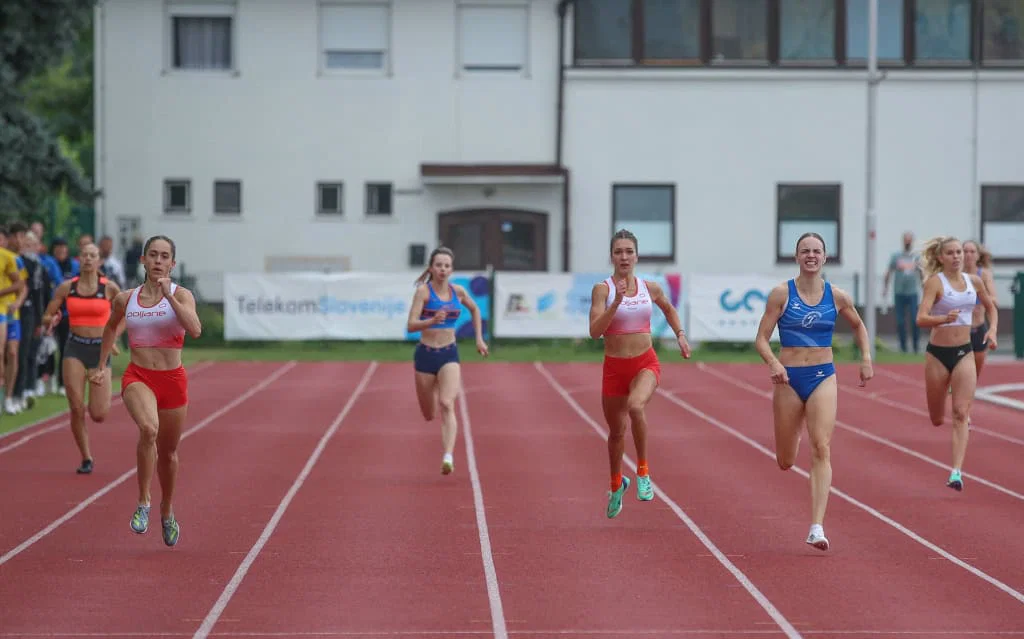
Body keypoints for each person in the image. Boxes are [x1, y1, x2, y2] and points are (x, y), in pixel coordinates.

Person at [753, 232, 872, 551]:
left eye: (816, 251)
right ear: (796, 257)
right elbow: (762, 338)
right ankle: (795, 431)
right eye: (805, 250)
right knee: (785, 460)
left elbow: (859, 325)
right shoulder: (781, 294)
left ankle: (816, 527)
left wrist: (865, 358)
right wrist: (774, 363)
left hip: (823, 375)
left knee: (822, 447)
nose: (811, 255)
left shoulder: (837, 296)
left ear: (825, 256)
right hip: (789, 379)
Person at [91, 235, 202, 547]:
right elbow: (111, 326)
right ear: (143, 260)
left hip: (173, 380)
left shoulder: (182, 295)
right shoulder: (126, 299)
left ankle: (167, 510)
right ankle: (144, 501)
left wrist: (170, 298)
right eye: (152, 255)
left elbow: (194, 329)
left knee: (168, 453)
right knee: (148, 429)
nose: (158, 261)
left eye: (164, 256)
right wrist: (102, 366)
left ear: (172, 263)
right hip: (139, 376)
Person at [588, 229, 690, 520]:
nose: (624, 257)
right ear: (612, 256)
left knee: (636, 406)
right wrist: (616, 303)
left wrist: (680, 335)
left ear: (636, 255)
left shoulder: (650, 287)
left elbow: (669, 310)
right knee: (616, 433)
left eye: (628, 251)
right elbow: (595, 332)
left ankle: (643, 472)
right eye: (618, 251)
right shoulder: (603, 290)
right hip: (614, 368)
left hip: (645, 362)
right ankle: (616, 483)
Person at [915, 236, 997, 492]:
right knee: (938, 418)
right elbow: (921, 318)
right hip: (938, 354)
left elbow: (991, 307)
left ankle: (956, 472)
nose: (957, 257)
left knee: (961, 413)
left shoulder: (974, 281)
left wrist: (992, 330)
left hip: (964, 352)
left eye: (959, 252)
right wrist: (941, 319)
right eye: (950, 253)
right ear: (941, 257)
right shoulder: (934, 283)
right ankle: (942, 412)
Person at [405, 246, 488, 476]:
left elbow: (475, 311)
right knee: (429, 413)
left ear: (451, 269)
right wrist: (430, 321)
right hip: (425, 354)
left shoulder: (458, 291)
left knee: (447, 403)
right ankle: (432, 392)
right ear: (431, 268)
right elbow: (411, 324)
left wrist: (479, 339)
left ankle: (448, 456)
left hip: (449, 353)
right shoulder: (423, 292)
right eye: (439, 265)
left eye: (447, 265)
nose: (443, 269)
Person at [42, 243, 123, 474]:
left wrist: (114, 336)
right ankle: (86, 457)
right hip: (74, 348)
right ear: (80, 259)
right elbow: (47, 314)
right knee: (76, 408)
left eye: (93, 255)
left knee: (98, 414)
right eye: (85, 255)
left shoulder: (109, 288)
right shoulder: (67, 287)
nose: (88, 259)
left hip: (100, 351)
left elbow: (127, 313)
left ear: (99, 261)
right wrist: (51, 319)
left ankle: (96, 398)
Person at [961, 240, 998, 384]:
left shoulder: (984, 275)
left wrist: (980, 297)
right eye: (965, 251)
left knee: (975, 372)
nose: (968, 255)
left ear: (978, 255)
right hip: (960, 330)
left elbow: (994, 300)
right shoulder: (956, 274)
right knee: (960, 367)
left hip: (979, 328)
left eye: (972, 251)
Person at [883, 231, 923, 353]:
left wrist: (925, 287)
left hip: (912, 293)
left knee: (914, 319)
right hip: (899, 292)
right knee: (900, 321)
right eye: (906, 240)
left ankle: (916, 346)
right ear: (903, 241)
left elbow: (921, 273)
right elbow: (889, 271)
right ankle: (903, 346)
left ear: (912, 241)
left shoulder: (916, 257)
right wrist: (885, 288)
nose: (907, 242)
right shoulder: (896, 256)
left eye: (909, 240)